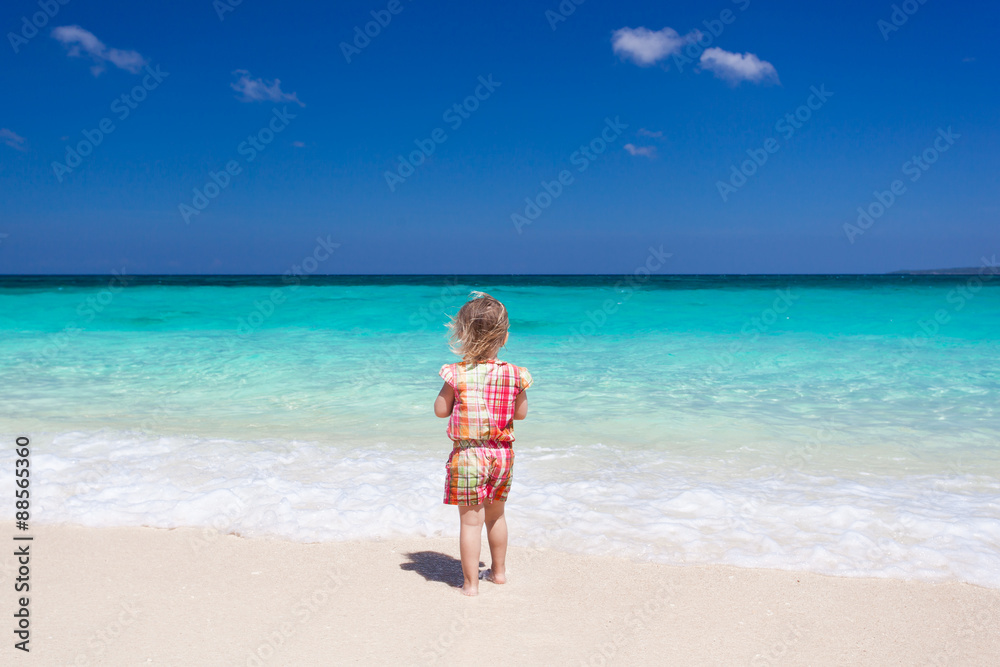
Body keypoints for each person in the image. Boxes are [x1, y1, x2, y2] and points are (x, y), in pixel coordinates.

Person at [434, 291, 532, 596]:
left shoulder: (456, 373)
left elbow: (440, 410)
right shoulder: (516, 375)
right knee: (497, 515)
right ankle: (499, 573)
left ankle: (471, 584)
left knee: (471, 523)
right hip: (502, 455)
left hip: (468, 455)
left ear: (463, 334)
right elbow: (522, 414)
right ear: (503, 338)